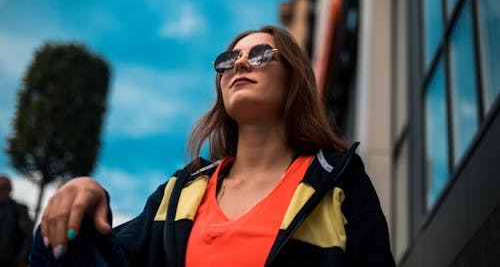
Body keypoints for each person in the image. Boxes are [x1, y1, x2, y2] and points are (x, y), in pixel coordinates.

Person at [33, 25, 395, 266]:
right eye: (228, 60)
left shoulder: (340, 183)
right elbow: (96, 258)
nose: (238, 62)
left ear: (293, 79)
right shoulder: (179, 192)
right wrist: (86, 194)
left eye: (259, 55)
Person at [0, 175, 34, 267]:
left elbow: (28, 237)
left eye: (3, 188)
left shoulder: (18, 209)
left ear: (9, 190)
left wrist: (21, 259)